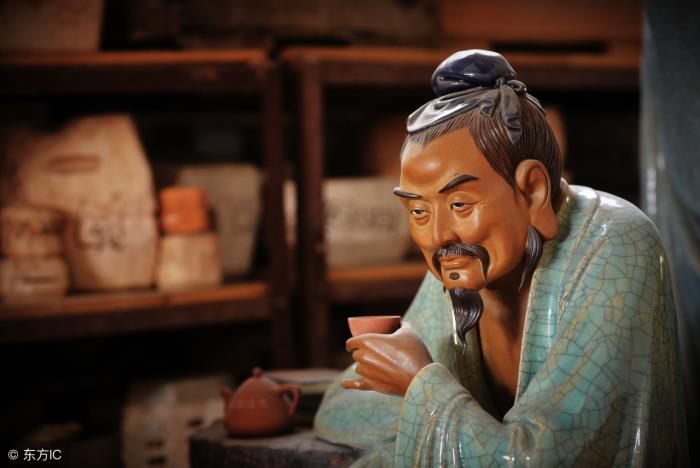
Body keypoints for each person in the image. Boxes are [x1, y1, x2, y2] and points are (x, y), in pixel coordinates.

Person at [314, 50, 688, 466]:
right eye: (418, 211)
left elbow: (549, 458)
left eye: (460, 205)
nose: (437, 236)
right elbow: (343, 410)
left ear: (532, 191)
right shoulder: (463, 263)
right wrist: (426, 393)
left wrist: (422, 384)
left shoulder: (614, 246)